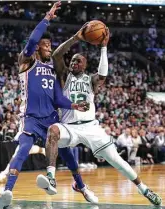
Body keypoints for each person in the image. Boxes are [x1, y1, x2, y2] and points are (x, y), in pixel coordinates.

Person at [36, 24, 162, 207]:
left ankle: (144, 189)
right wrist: (76, 38)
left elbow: (103, 74)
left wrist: (104, 47)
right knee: (53, 131)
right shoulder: (64, 76)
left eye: (78, 61)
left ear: (85, 65)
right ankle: (51, 178)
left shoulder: (91, 80)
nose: (73, 63)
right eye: (72, 61)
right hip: (70, 127)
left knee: (117, 161)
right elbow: (56, 55)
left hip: (91, 127)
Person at [0, 3, 93, 208]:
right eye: (46, 44)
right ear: (37, 47)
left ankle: (82, 186)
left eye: (50, 44)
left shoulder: (52, 69)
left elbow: (58, 99)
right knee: (23, 149)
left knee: (66, 152)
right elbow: (32, 39)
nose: (49, 47)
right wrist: (47, 17)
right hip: (31, 118)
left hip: (51, 118)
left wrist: (74, 106)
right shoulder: (27, 62)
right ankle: (7, 191)